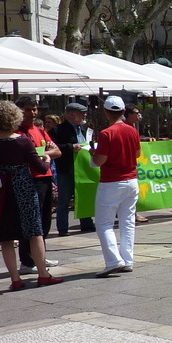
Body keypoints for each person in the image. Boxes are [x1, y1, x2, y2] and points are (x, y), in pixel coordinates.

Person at [0, 100, 63, 290]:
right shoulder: (22, 141)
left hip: (3, 191)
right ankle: (43, 274)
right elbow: (41, 167)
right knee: (35, 232)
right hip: (24, 187)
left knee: (6, 238)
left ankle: (15, 279)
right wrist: (47, 157)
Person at [92, 95, 142, 278]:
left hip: (112, 181)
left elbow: (100, 161)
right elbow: (137, 154)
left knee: (104, 223)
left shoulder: (106, 133)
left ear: (106, 112)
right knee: (127, 222)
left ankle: (114, 261)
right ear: (123, 111)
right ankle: (127, 260)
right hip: (131, 180)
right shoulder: (132, 130)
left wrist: (93, 154)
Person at [13, 97, 60, 273]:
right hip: (30, 179)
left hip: (45, 176)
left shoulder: (40, 130)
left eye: (34, 109)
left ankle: (39, 256)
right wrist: (42, 154)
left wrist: (42, 153)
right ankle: (27, 261)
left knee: (45, 220)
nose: (33, 113)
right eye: (28, 109)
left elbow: (57, 151)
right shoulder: (16, 132)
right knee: (31, 221)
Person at [52, 102, 95, 236]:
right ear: (71, 114)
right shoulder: (58, 130)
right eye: (82, 113)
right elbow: (54, 147)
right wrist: (71, 147)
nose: (84, 116)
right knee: (64, 199)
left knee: (83, 196)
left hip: (83, 168)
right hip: (67, 169)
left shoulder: (83, 128)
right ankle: (63, 227)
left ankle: (86, 222)